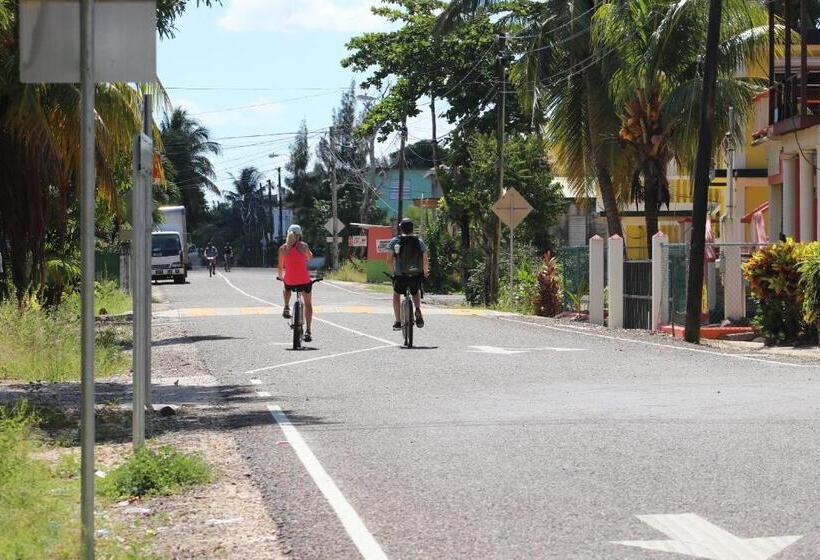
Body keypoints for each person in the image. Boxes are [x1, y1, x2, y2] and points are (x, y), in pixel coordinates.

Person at [386, 218, 429, 330]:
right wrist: (425, 273)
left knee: (396, 295)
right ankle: (418, 309)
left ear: (401, 228)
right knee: (415, 291)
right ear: (412, 229)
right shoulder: (419, 242)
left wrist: (393, 273)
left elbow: (389, 260)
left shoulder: (395, 241)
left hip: (400, 276)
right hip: (415, 275)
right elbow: (425, 260)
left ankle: (398, 321)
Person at [278, 224, 315, 342]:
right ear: (299, 236)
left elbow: (280, 267)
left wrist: (280, 277)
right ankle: (308, 331)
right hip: (304, 281)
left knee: (286, 286)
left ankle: (286, 307)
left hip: (290, 281)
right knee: (308, 304)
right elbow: (310, 259)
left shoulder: (283, 248)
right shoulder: (304, 246)